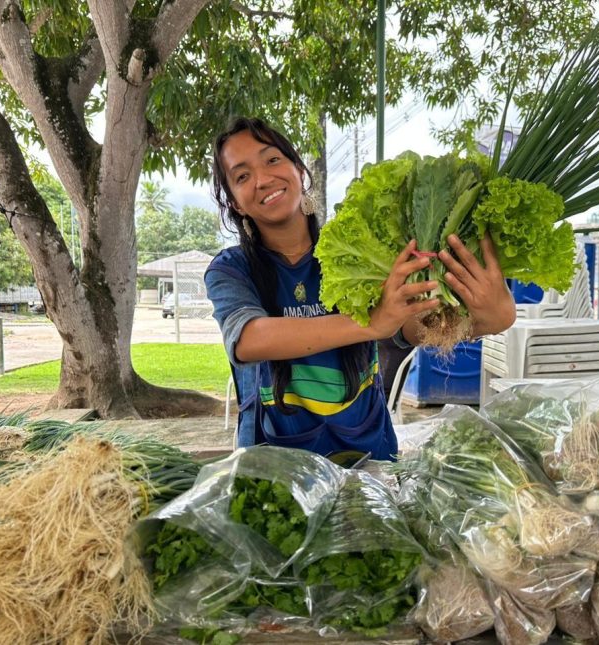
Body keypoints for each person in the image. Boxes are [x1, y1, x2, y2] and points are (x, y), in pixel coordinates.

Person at [205, 117, 516, 460]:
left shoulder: (358, 250)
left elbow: (412, 327)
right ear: (234, 201)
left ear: (298, 169)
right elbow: (249, 339)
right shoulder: (231, 269)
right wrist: (369, 323)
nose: (263, 179)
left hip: (368, 460)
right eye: (242, 176)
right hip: (276, 470)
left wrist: (492, 318)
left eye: (272, 160)